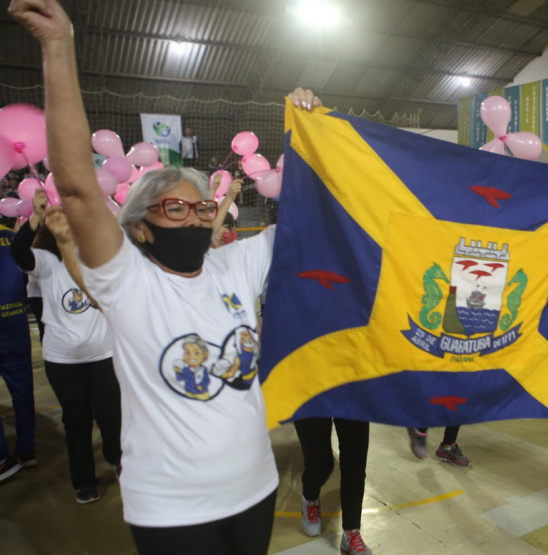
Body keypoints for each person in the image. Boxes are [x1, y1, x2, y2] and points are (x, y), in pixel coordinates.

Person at [10, 1, 294, 552]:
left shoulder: (236, 264)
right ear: (140, 228)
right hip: (171, 510)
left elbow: (315, 215)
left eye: (202, 208)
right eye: (175, 209)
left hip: (255, 490)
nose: (195, 217)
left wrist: (311, 130)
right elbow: (75, 188)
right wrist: (59, 47)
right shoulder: (128, 283)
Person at [10, 201, 121, 504]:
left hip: (104, 354)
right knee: (76, 420)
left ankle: (118, 460)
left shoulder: (98, 259)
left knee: (112, 416)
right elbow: (18, 252)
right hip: (63, 360)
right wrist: (34, 216)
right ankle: (84, 481)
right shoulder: (46, 262)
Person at [294, 418, 372, 554]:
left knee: (355, 462)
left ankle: (351, 531)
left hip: (352, 397)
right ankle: (309, 497)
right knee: (320, 463)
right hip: (309, 397)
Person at [0, 205, 35, 482]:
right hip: (15, 322)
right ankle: (28, 449)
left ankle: (2, 458)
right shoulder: (12, 238)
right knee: (22, 390)